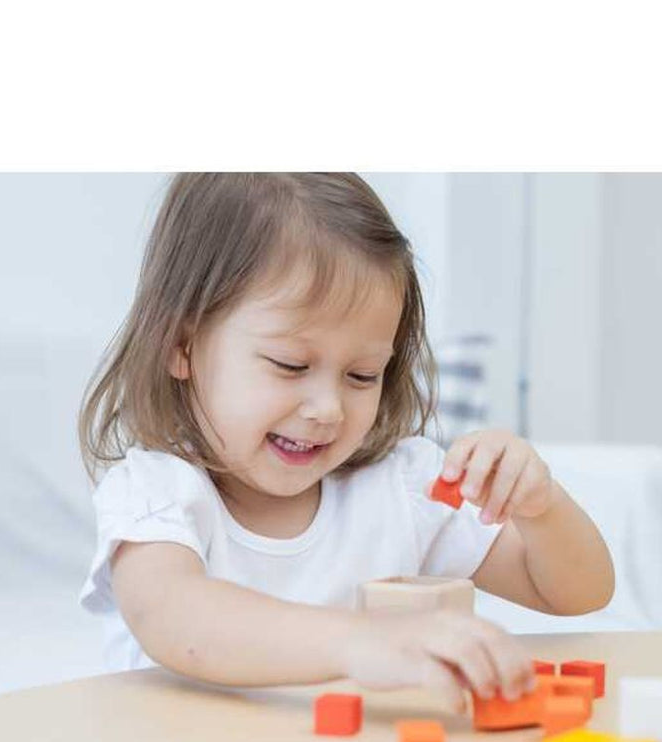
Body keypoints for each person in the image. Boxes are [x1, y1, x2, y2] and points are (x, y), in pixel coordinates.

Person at [78, 173, 614, 714]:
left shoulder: (403, 488)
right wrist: (361, 642)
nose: (329, 409)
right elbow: (177, 620)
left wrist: (540, 508)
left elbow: (576, 592)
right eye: (291, 365)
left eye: (362, 376)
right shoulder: (157, 493)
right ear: (183, 346)